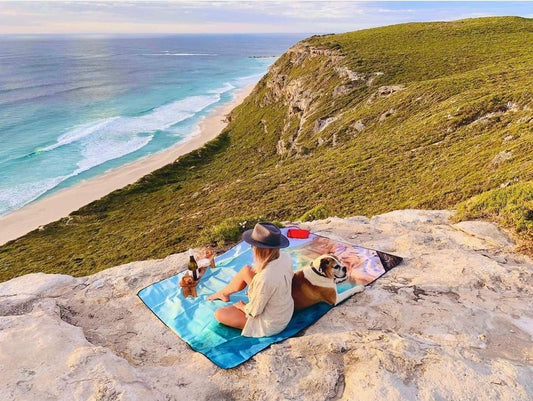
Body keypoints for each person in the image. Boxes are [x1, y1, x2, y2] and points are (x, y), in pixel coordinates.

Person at [207, 222, 294, 337]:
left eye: (253, 246)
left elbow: (254, 311)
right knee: (246, 270)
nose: (252, 248)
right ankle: (223, 293)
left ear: (262, 250)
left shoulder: (264, 278)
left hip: (271, 323)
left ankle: (224, 294)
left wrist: (242, 306)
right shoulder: (285, 257)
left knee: (219, 314)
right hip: (284, 308)